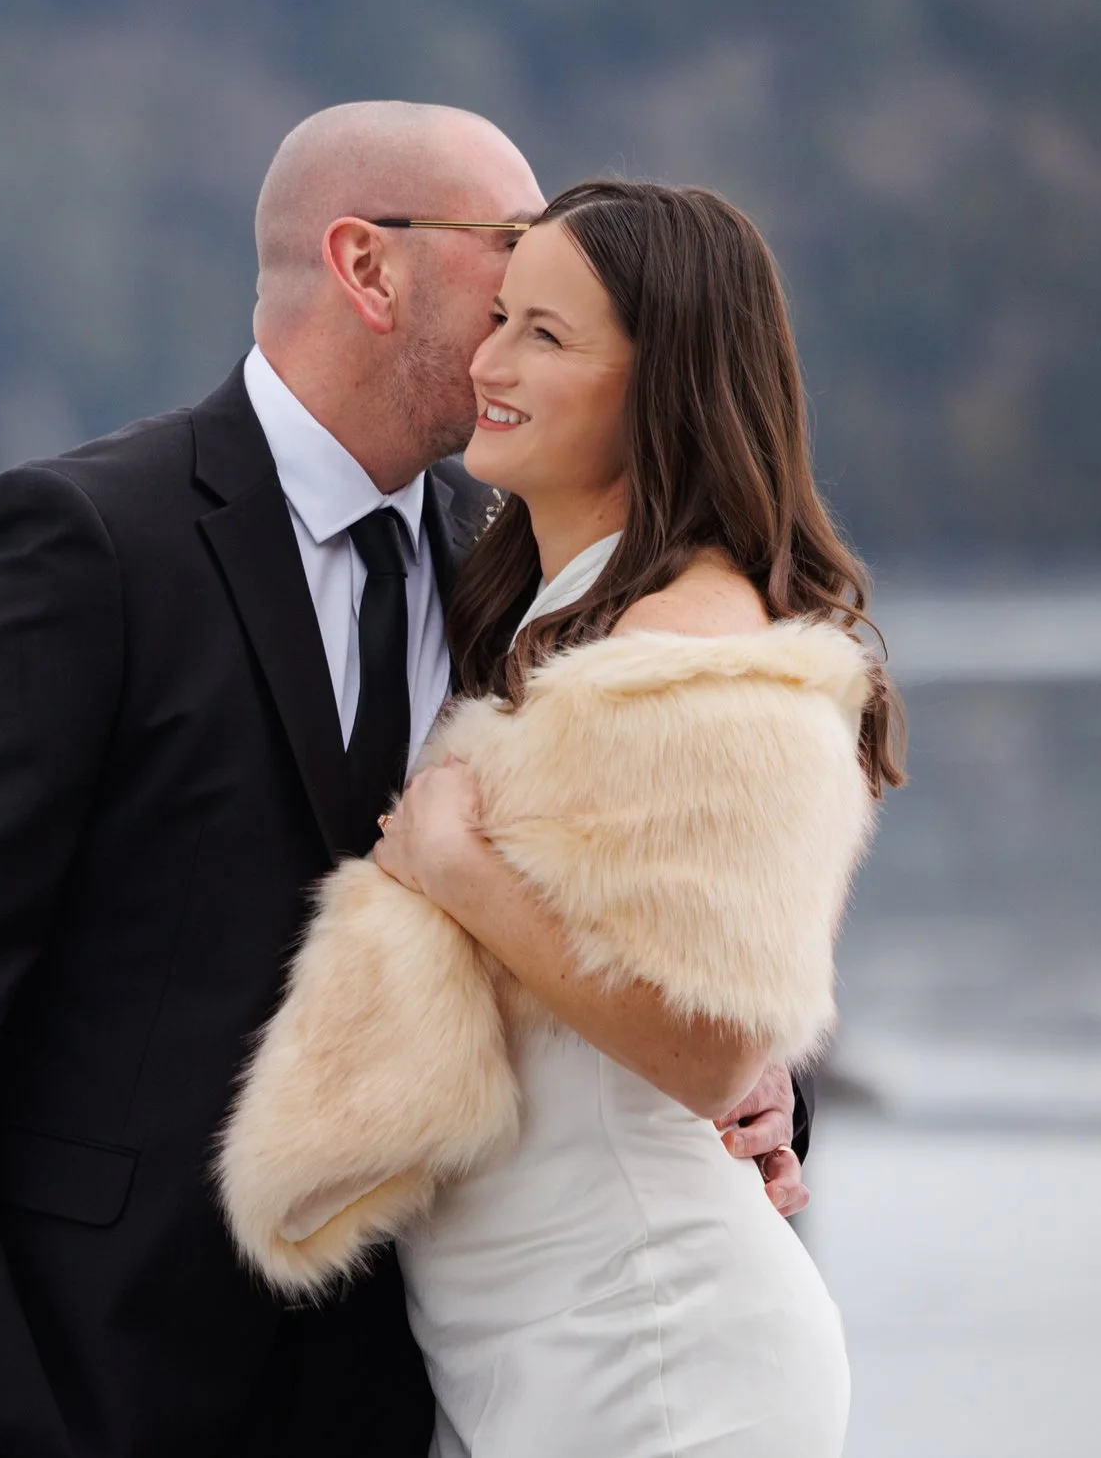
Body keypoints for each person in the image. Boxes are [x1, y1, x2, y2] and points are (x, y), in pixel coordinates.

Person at [0, 107, 812, 1458]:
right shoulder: (81, 542)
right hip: (84, 1379)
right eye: (508, 252)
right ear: (365, 264)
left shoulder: (517, 569)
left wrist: (752, 1071)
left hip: (411, 1385)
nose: (536, 291)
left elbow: (647, 898)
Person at [237, 177, 904, 1456]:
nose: (487, 361)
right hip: (532, 1347)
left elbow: (710, 1046)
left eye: (544, 334)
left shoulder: (692, 651)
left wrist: (458, 865)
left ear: (663, 383)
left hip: (654, 1349)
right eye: (498, 317)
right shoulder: (551, 613)